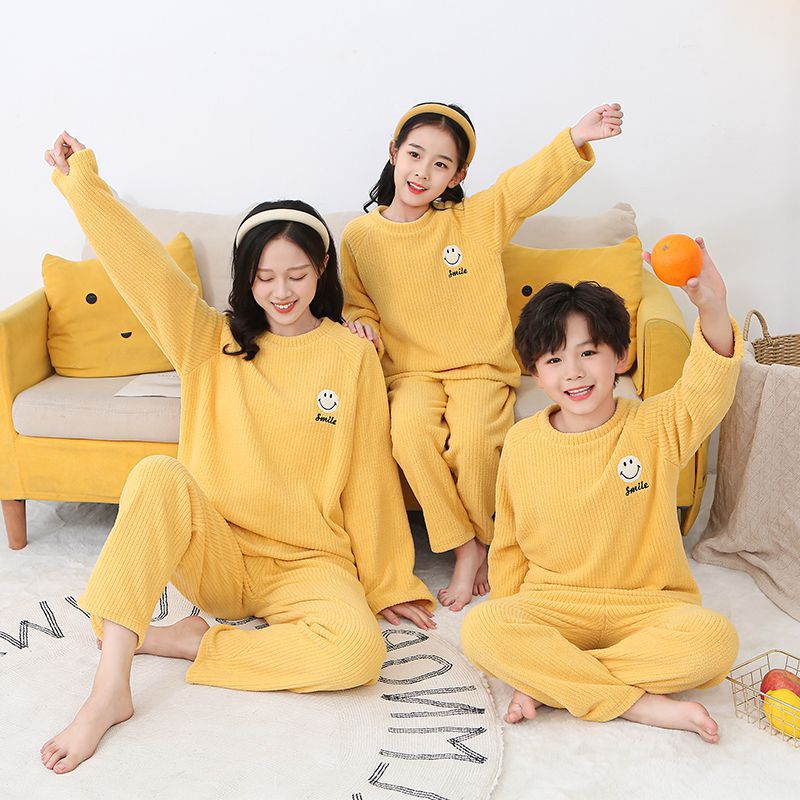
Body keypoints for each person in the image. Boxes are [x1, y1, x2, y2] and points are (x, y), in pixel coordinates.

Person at [39, 132, 435, 775]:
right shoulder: (208, 340)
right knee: (157, 474)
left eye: (297, 275)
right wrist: (83, 183)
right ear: (245, 277)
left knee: (357, 655)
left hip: (310, 563)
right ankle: (109, 689)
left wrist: (388, 580)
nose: (281, 292)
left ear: (322, 269)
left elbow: (369, 476)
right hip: (218, 553)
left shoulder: (352, 354)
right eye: (264, 277)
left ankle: (189, 642)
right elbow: (141, 268)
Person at [341, 101, 623, 611]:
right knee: (409, 437)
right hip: (411, 372)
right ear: (394, 153)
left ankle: (487, 543)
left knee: (474, 446)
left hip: (480, 370)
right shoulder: (360, 236)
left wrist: (575, 138)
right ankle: (463, 546)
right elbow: (359, 302)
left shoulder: (475, 220)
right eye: (414, 155)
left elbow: (523, 186)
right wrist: (361, 323)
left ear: (457, 176)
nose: (422, 172)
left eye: (440, 164)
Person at [461, 242, 742, 743]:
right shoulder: (522, 442)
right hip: (553, 604)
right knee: (483, 629)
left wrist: (713, 306)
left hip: (646, 607)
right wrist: (515, 620)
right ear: (535, 372)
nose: (573, 371)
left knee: (714, 642)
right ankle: (637, 703)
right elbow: (509, 549)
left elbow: (707, 387)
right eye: (554, 359)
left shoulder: (655, 425)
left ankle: (552, 680)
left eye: (588, 352)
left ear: (620, 356)